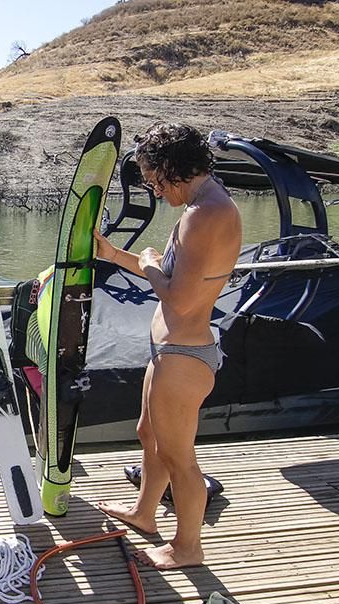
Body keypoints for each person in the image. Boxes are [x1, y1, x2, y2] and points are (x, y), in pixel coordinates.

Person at [93, 122, 242, 569]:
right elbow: (179, 282)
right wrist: (117, 256)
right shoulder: (203, 205)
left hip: (184, 356)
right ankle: (144, 513)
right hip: (169, 350)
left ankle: (187, 547)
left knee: (179, 458)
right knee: (148, 435)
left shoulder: (206, 215)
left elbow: (176, 295)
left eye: (156, 182)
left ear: (174, 169)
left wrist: (149, 261)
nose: (156, 192)